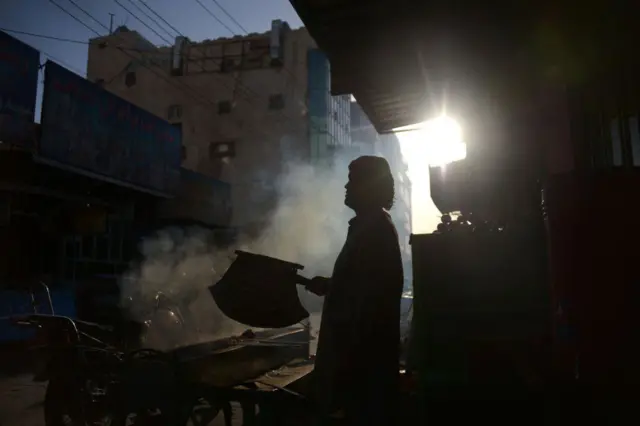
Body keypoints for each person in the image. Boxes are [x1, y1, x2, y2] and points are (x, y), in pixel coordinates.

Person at [306, 156, 404, 425]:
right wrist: (329, 285)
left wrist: (344, 372)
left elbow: (369, 304)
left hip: (363, 371)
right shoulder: (369, 228)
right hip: (361, 370)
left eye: (353, 181)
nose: (347, 187)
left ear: (369, 187)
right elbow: (359, 286)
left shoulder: (375, 231)